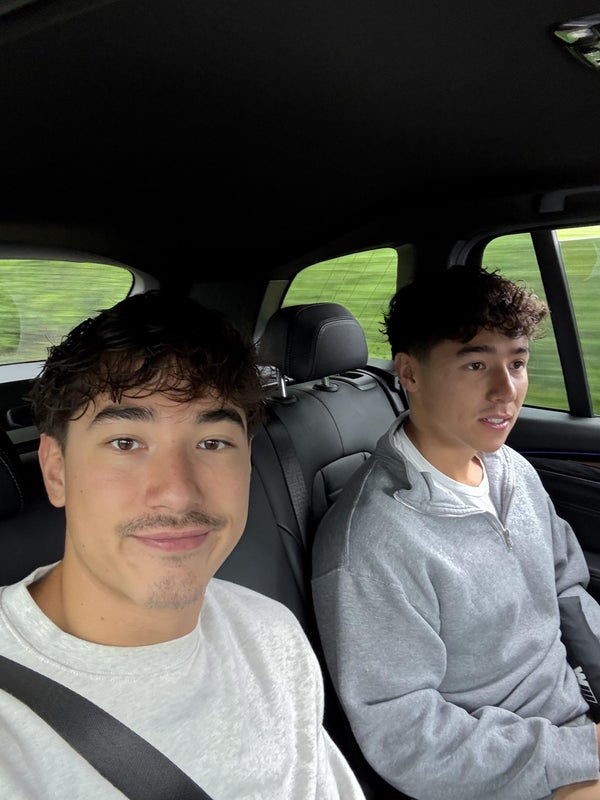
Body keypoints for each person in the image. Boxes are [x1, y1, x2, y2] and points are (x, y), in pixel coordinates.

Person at [0, 289, 366, 800]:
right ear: (56, 470)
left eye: (212, 443)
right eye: (126, 443)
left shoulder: (274, 636)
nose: (177, 491)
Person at [311, 264, 600, 800]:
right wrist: (578, 755)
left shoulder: (511, 469)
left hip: (578, 719)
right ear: (410, 373)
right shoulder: (371, 543)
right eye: (476, 364)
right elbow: (407, 737)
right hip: (511, 773)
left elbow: (566, 587)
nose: (506, 391)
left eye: (517, 363)